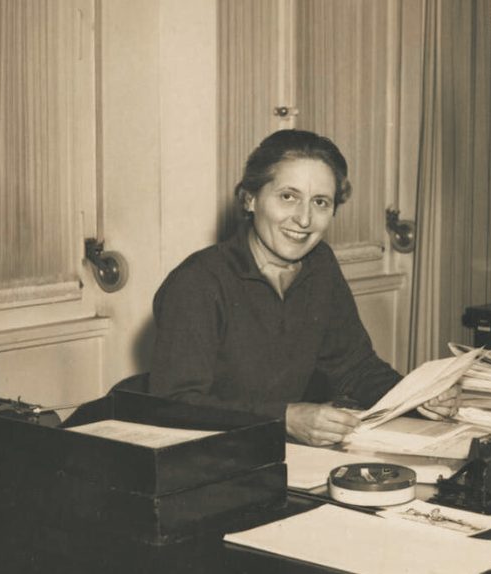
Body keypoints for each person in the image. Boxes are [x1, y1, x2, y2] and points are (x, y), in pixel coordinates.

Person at [149, 129, 459, 446]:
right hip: (213, 459)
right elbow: (175, 406)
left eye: (320, 202)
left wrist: (415, 396)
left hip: (286, 457)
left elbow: (355, 366)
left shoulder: (319, 263)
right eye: (288, 197)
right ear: (250, 198)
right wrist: (284, 419)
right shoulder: (197, 282)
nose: (304, 219)